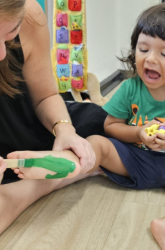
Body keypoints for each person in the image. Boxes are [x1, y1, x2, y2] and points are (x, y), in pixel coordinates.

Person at [2, 3, 165, 250]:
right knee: (97, 143)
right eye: (143, 49)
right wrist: (137, 133)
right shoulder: (130, 88)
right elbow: (110, 126)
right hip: (135, 158)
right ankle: (58, 162)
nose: (150, 59)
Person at [0, 0, 107, 233]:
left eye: (10, 32)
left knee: (103, 124)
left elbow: (45, 96)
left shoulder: (30, 15)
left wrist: (65, 129)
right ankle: (48, 182)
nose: (1, 54)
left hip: (27, 125)